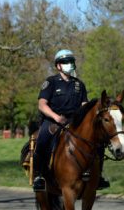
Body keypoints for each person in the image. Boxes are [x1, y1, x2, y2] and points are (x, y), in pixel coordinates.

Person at [32, 49, 109, 192]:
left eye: (71, 61)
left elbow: (84, 105)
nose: (69, 64)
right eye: (65, 62)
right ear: (58, 66)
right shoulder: (51, 82)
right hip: (54, 120)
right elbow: (42, 104)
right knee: (42, 139)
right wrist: (55, 117)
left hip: (74, 121)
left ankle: (98, 177)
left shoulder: (79, 85)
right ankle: (39, 176)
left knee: (98, 142)